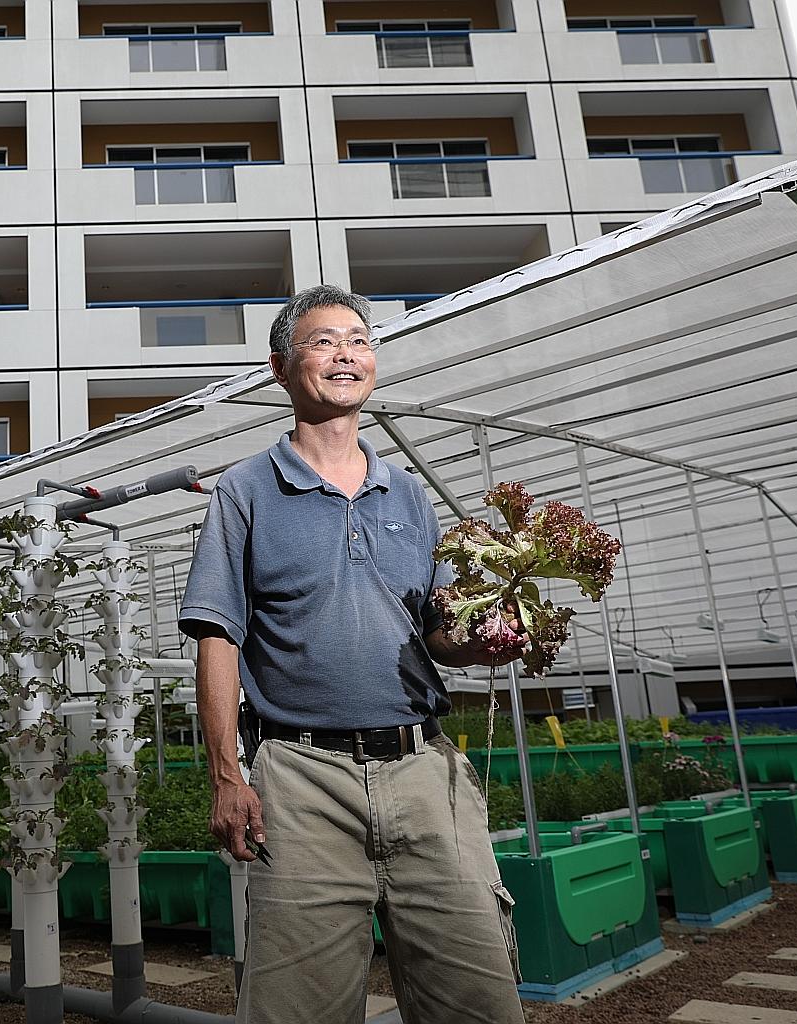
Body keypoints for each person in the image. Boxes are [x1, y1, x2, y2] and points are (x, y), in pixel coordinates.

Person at [177, 285, 529, 1024]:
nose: (346, 353)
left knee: (478, 996)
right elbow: (219, 638)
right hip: (301, 781)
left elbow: (436, 632)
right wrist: (225, 776)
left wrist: (479, 637)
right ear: (280, 368)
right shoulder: (245, 491)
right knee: (296, 1008)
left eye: (359, 340)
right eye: (324, 341)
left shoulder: (408, 495)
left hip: (425, 770)